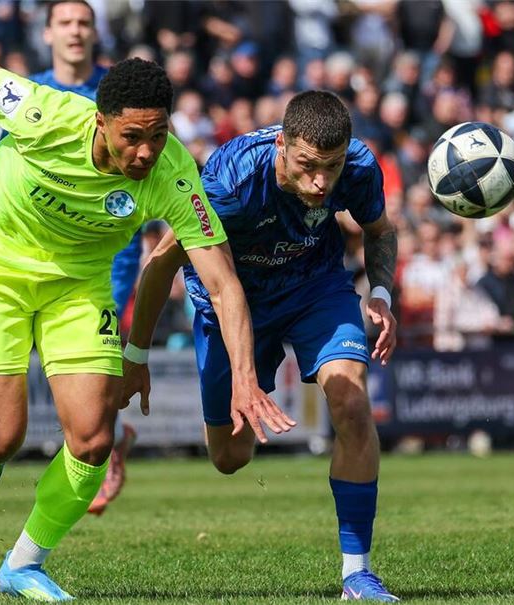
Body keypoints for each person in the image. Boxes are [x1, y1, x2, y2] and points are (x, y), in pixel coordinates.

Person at [0, 2, 293, 600]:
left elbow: (222, 283)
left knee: (94, 438)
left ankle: (23, 564)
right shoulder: (46, 114)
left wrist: (245, 379)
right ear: (100, 122)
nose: (146, 152)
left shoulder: (174, 174)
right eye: (133, 137)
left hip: (78, 284)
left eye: (159, 135)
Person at [123, 92, 400, 602]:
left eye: (331, 168)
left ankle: (358, 575)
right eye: (308, 167)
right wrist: (137, 356)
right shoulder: (231, 181)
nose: (321, 182)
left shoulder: (357, 164)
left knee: (352, 403)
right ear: (282, 145)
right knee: (230, 457)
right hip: (232, 302)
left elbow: (380, 231)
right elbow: (162, 262)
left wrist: (380, 294)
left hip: (314, 289)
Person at [0, 0, 137, 516]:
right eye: (66, 23)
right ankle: (101, 442)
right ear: (47, 32)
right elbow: (3, 166)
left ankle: (98, 448)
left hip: (105, 258)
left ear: (95, 33)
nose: (75, 31)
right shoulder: (30, 91)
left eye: (84, 23)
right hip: (33, 255)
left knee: (88, 374)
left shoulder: (118, 91)